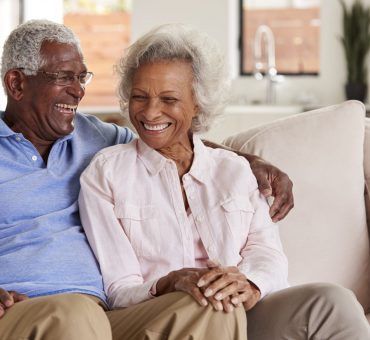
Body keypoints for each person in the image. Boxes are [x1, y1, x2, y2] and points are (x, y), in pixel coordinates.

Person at [0, 19, 294, 339]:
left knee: (212, 303)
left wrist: (252, 162)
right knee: (73, 315)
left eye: (81, 76)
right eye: (63, 77)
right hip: (21, 309)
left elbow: (168, 137)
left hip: (106, 314)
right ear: (16, 84)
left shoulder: (96, 136)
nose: (78, 90)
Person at [78, 23, 370, 340]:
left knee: (330, 302)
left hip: (242, 312)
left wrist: (249, 283)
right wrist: (172, 282)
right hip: (164, 318)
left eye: (168, 99)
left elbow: (267, 253)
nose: (150, 112)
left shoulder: (234, 170)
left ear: (197, 103)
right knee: (206, 301)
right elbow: (119, 290)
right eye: (139, 97)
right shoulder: (106, 174)